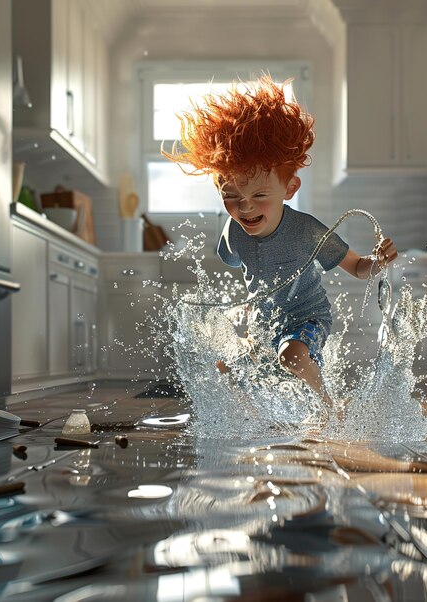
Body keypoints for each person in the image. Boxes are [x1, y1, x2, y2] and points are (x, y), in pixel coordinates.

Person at [166, 75, 397, 418]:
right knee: (224, 364)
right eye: (231, 196)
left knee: (291, 356)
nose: (245, 207)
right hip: (266, 322)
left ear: (289, 188)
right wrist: (240, 315)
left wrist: (376, 262)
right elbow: (244, 273)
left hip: (308, 317)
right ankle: (255, 420)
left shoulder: (305, 230)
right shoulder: (233, 232)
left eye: (259, 196)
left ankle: (329, 410)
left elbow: (358, 268)